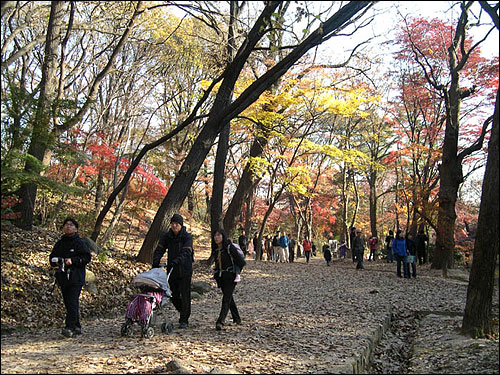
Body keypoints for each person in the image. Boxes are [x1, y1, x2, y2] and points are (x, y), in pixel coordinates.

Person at [49, 217, 91, 338]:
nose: (68, 226)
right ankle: (77, 326)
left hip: (76, 277)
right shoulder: (60, 243)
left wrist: (72, 261)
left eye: (71, 225)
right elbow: (52, 257)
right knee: (68, 302)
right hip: (62, 277)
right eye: (66, 224)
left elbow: (86, 258)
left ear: (76, 228)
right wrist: (56, 262)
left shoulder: (80, 243)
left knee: (72, 301)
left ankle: (69, 327)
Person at [152, 213, 193, 329]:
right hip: (172, 270)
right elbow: (160, 249)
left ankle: (184, 319)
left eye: (176, 224)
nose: (174, 226)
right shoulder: (167, 236)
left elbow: (187, 252)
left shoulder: (187, 237)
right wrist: (156, 261)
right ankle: (184, 311)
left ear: (181, 225)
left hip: (185, 269)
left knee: (185, 295)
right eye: (172, 224)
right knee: (173, 295)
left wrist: (177, 260)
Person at [210, 228, 242, 331]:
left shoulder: (229, 247)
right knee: (229, 298)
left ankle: (220, 321)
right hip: (221, 277)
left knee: (226, 299)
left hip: (231, 277)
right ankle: (237, 318)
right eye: (215, 235)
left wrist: (235, 272)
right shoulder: (216, 249)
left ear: (223, 236)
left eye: (219, 235)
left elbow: (241, 262)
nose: (216, 237)